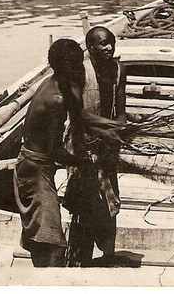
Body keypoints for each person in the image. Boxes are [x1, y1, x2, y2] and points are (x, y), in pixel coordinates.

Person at [14, 38, 90, 267]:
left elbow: (76, 114)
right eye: (77, 64)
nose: (81, 68)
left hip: (31, 164)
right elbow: (55, 151)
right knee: (54, 243)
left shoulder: (52, 82)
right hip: (36, 169)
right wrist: (81, 161)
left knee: (39, 235)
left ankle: (41, 274)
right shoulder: (56, 100)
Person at [63, 26, 125, 267]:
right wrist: (107, 127)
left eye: (111, 42)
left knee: (111, 198)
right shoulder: (80, 71)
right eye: (102, 43)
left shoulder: (119, 70)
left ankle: (108, 255)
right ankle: (82, 257)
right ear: (90, 47)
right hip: (82, 145)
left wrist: (118, 129)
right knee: (85, 202)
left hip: (107, 145)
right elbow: (77, 113)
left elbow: (121, 110)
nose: (109, 47)